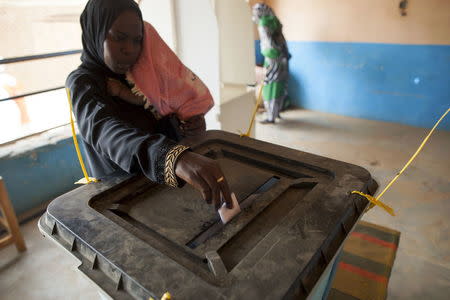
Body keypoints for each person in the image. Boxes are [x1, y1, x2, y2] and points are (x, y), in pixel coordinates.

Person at [66, 0, 232, 210]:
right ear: (96, 30)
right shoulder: (83, 82)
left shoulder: (137, 74)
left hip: (158, 188)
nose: (130, 50)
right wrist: (171, 157)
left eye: (137, 41)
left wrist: (187, 128)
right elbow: (105, 130)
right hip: (120, 202)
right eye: (119, 38)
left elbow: (158, 121)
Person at [252, 3, 290, 124]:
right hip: (283, 60)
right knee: (279, 86)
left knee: (270, 87)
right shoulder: (275, 22)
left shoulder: (264, 24)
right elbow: (282, 42)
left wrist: (269, 60)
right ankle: (276, 113)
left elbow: (268, 45)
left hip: (273, 60)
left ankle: (270, 117)